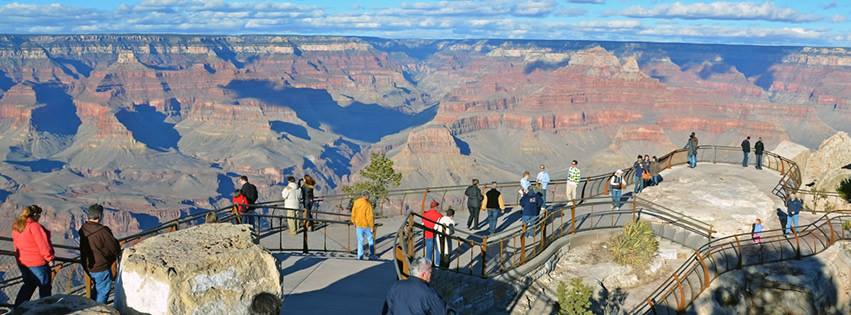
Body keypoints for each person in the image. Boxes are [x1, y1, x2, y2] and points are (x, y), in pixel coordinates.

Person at [11, 205, 54, 306]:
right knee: (45, 287)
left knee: (28, 285)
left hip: (23, 263)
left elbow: (16, 245)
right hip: (37, 263)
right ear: (35, 215)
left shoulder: (17, 226)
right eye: (39, 215)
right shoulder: (34, 226)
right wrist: (49, 258)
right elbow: (43, 244)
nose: (40, 217)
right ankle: (45, 309)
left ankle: (18, 308)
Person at [79, 204, 121, 304]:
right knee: (103, 291)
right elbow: (114, 248)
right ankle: (97, 310)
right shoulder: (102, 231)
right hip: (101, 266)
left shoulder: (83, 228)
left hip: (89, 266)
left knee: (97, 288)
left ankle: (91, 306)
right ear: (99, 216)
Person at [381, 257, 448, 315]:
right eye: (430, 272)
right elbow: (442, 311)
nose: (431, 275)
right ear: (424, 274)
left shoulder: (396, 286)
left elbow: (387, 310)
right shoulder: (429, 293)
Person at [351, 191, 376, 260]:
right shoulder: (368, 204)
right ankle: (371, 255)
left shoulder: (356, 202)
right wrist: (372, 226)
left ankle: (360, 256)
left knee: (360, 241)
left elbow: (353, 213)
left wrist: (354, 222)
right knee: (370, 240)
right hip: (366, 225)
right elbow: (370, 217)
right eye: (369, 196)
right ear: (366, 196)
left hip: (358, 225)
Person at [423, 200, 443, 265]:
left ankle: (428, 265)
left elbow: (423, 222)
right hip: (436, 235)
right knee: (438, 250)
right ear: (435, 207)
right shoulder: (439, 215)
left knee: (429, 251)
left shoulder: (424, 214)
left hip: (427, 234)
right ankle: (437, 264)